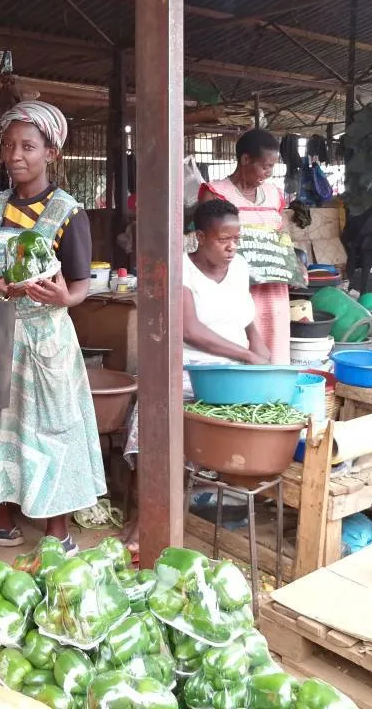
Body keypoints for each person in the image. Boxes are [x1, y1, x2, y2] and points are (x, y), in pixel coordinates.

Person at [0, 101, 105, 553]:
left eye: (28, 146)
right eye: (9, 146)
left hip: (46, 341)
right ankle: (1, 519)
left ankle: (57, 531)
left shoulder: (67, 211)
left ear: (52, 153)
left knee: (51, 427)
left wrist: (64, 298)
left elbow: (81, 284)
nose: (16, 155)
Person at [121, 198, 270, 556]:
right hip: (189, 370)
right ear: (200, 237)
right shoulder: (182, 271)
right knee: (152, 422)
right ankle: (147, 517)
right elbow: (190, 330)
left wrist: (260, 348)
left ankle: (155, 519)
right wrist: (247, 355)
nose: (232, 246)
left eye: (237, 238)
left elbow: (248, 319)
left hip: (234, 374)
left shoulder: (240, 267)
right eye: (224, 239)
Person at [199, 129, 291, 364]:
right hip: (234, 285)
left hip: (272, 287)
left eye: (272, 167)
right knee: (240, 339)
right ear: (245, 159)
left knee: (274, 341)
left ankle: (274, 391)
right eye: (264, 166)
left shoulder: (274, 194)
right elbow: (209, 239)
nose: (268, 173)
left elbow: (281, 235)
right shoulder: (216, 193)